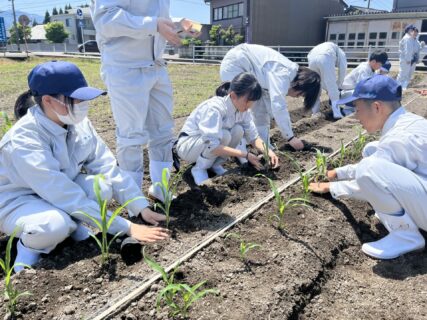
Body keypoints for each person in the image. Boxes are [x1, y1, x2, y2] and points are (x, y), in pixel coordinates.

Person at [0, 61, 169, 272]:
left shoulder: (78, 123)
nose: (82, 104)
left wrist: (139, 206)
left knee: (102, 187)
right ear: (48, 100)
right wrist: (128, 227)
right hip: (18, 200)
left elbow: (107, 167)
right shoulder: (25, 139)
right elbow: (64, 194)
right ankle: (26, 253)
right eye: (75, 98)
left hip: (59, 190)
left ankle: (73, 228)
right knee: (53, 226)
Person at [309, 75, 427, 260]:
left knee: (369, 168)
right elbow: (382, 164)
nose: (356, 116)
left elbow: (369, 178)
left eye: (357, 109)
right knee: (372, 150)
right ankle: (401, 217)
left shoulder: (399, 138)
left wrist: (332, 187)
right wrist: (338, 173)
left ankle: (406, 236)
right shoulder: (407, 123)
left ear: (377, 107)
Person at [91, 0, 196, 202]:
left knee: (163, 131)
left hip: (156, 64)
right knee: (131, 136)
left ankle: (160, 188)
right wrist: (153, 24)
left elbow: (151, 19)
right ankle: (132, 199)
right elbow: (105, 19)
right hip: (125, 67)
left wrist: (177, 25)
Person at [176, 73, 280, 186]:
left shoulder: (243, 111)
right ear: (234, 95)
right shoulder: (214, 108)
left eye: (253, 101)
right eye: (248, 101)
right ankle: (200, 168)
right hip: (188, 147)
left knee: (238, 130)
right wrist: (245, 155)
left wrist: (268, 152)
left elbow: (253, 138)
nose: (250, 105)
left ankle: (215, 164)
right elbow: (212, 145)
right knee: (225, 135)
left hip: (206, 147)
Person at [220, 43, 321, 153]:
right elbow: (278, 105)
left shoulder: (285, 77)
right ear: (301, 84)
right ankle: (239, 150)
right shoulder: (283, 74)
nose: (298, 97)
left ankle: (264, 147)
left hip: (252, 72)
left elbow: (267, 109)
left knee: (260, 111)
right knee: (240, 109)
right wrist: (290, 137)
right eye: (301, 94)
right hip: (236, 64)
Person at [339, 50, 388, 115]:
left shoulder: (371, 68)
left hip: (350, 91)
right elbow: (363, 87)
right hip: (344, 93)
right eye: (380, 65)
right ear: (373, 62)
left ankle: (353, 109)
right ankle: (347, 110)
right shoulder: (364, 69)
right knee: (364, 94)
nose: (380, 67)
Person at [307, 42, 347, 119]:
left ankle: (315, 113)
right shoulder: (341, 53)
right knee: (332, 84)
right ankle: (337, 113)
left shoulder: (331, 47)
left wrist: (327, 88)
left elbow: (322, 80)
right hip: (325, 55)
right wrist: (338, 85)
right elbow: (343, 69)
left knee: (315, 86)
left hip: (311, 57)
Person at [396, 24, 421, 90]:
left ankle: (404, 87)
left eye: (416, 31)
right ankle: (398, 88)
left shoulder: (414, 39)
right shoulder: (407, 39)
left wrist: (421, 47)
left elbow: (417, 49)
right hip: (406, 60)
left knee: (409, 74)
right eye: (413, 30)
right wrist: (408, 59)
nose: (415, 32)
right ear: (409, 31)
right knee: (403, 74)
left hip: (412, 59)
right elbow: (408, 50)